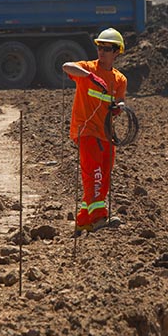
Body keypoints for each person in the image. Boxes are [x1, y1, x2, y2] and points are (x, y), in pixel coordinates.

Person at [62, 28, 128, 235]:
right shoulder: (87, 69)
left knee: (104, 176)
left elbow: (118, 103)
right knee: (94, 175)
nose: (102, 51)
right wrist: (90, 77)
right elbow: (66, 66)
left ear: (117, 52)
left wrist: (118, 108)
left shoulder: (119, 80)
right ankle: (98, 218)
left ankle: (84, 219)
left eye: (107, 48)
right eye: (99, 47)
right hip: (86, 131)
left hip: (106, 133)